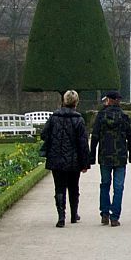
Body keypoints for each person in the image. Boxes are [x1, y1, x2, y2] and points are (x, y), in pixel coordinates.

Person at [40, 89, 90, 227]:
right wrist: (85, 163)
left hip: (56, 158)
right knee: (74, 187)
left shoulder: (54, 117)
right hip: (73, 160)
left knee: (59, 188)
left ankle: (61, 217)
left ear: (64, 101)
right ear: (76, 103)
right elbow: (83, 143)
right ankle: (74, 215)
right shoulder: (78, 119)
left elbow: (44, 135)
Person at [89, 90, 131, 226]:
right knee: (118, 187)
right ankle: (114, 217)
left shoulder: (101, 116)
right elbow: (130, 137)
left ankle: (104, 213)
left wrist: (92, 156)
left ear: (109, 100)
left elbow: (95, 136)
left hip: (105, 155)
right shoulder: (123, 116)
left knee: (105, 184)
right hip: (120, 156)